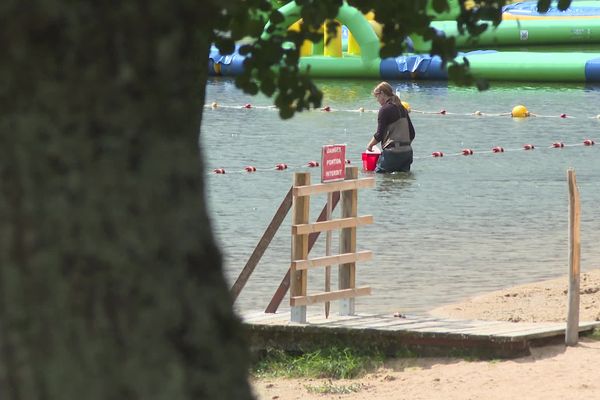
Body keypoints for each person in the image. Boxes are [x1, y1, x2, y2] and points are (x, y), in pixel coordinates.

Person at [367, 82, 415, 173]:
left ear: (382, 94)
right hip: (407, 153)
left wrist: (370, 145)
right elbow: (412, 133)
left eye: (376, 97)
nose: (377, 100)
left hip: (392, 154)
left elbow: (379, 135)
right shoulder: (402, 108)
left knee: (378, 177)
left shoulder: (384, 110)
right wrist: (403, 146)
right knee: (402, 183)